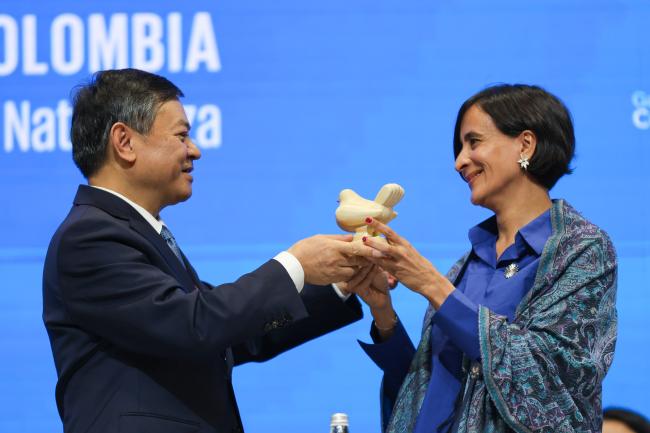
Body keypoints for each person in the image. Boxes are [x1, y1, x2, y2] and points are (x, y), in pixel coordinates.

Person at [42, 68, 371, 433]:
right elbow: (195, 324)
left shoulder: (142, 234)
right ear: (124, 142)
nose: (194, 150)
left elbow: (237, 333)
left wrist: (343, 282)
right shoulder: (89, 237)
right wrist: (295, 265)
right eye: (182, 136)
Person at [345, 84, 618, 432]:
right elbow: (421, 397)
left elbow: (549, 386)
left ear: (525, 144)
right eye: (460, 147)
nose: (459, 161)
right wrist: (382, 311)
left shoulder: (583, 250)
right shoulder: (466, 266)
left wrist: (431, 285)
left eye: (473, 142)